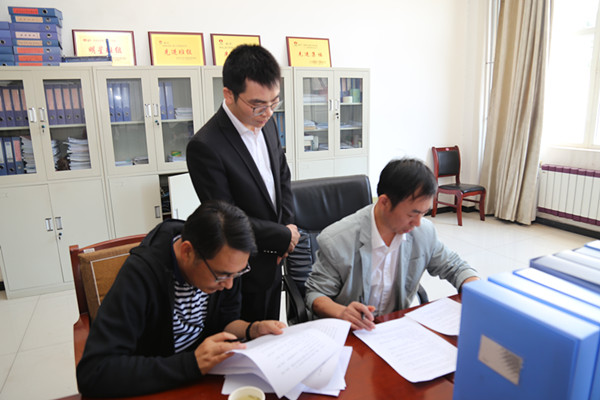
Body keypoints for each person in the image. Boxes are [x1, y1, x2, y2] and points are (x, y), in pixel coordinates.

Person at [76, 200, 286, 398]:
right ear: (187, 251)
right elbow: (94, 372)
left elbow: (225, 320)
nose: (229, 284)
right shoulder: (140, 276)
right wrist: (192, 364)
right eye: (222, 275)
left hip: (205, 379)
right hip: (156, 384)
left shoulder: (226, 265)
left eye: (237, 273)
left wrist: (252, 329)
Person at [187, 44, 299, 322]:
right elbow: (227, 218)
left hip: (275, 260)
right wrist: (282, 236)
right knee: (244, 338)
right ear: (229, 94)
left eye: (274, 102)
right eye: (257, 105)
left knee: (271, 331)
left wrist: (287, 229)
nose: (268, 113)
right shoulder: (206, 146)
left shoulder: (268, 122)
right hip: (239, 271)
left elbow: (282, 177)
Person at [304, 158, 480, 331]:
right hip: (351, 331)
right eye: (412, 214)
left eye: (424, 213)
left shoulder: (424, 232)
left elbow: (455, 267)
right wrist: (342, 312)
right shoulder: (337, 240)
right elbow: (315, 294)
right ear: (384, 203)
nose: (418, 223)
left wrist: (477, 290)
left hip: (394, 328)